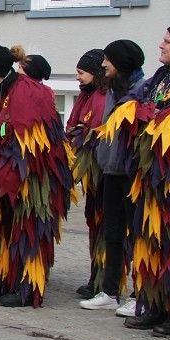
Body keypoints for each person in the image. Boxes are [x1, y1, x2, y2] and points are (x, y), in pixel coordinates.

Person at [108, 24, 170, 336]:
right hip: (147, 179)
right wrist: (141, 109)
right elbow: (135, 98)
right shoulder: (163, 74)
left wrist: (147, 113)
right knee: (150, 244)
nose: (160, 46)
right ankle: (154, 305)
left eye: (167, 41)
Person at [0, 45, 72, 307]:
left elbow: (25, 144)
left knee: (31, 232)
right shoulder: (3, 90)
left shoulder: (26, 92)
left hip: (35, 177)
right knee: (11, 231)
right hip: (12, 171)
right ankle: (10, 281)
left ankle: (29, 289)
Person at [86, 41, 147, 316]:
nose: (103, 64)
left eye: (107, 60)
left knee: (137, 235)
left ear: (120, 62)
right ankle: (110, 291)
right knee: (112, 233)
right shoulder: (112, 88)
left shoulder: (142, 90)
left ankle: (139, 294)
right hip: (111, 170)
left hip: (131, 174)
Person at [65, 49, 111, 304]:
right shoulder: (87, 95)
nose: (77, 78)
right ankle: (97, 275)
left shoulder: (102, 97)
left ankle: (104, 278)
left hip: (100, 170)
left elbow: (94, 131)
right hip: (90, 173)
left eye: (81, 73)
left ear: (95, 73)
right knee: (94, 222)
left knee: (104, 224)